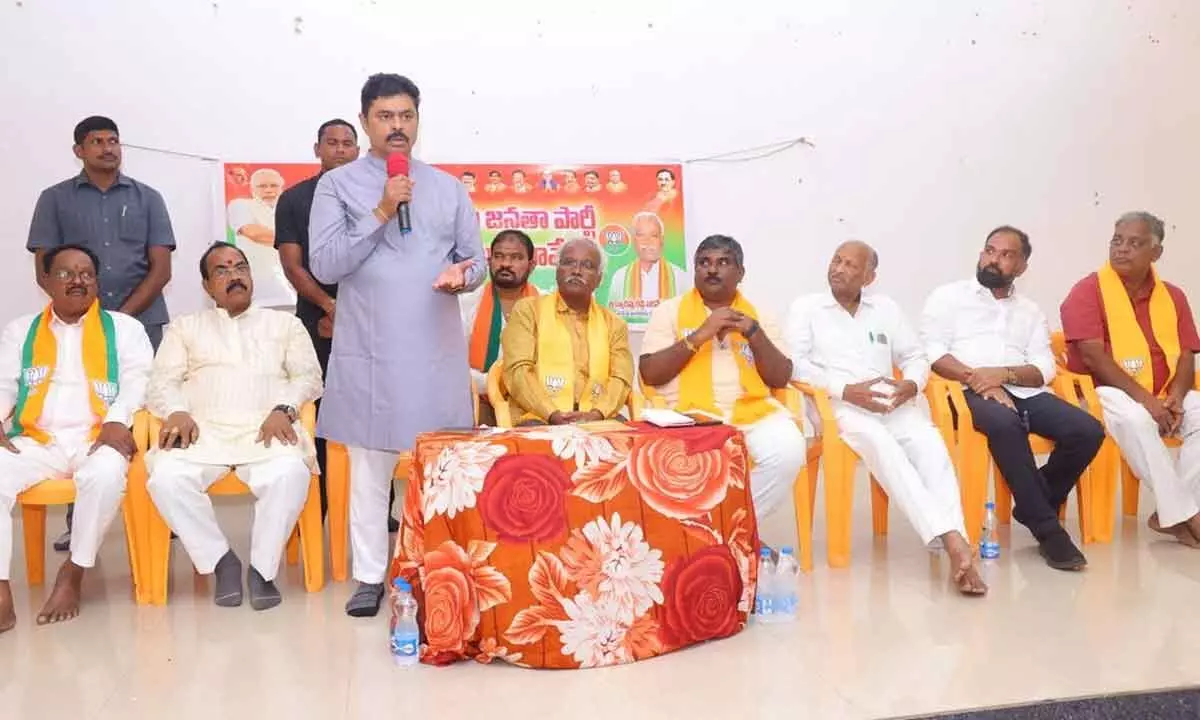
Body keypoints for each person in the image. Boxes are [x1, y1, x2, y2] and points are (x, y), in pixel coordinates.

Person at [309, 73, 485, 617]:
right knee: (369, 470)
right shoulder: (337, 186)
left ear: (417, 120)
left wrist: (464, 274)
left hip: (433, 352)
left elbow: (476, 260)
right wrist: (383, 209)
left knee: (444, 469)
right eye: (386, 116)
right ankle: (368, 575)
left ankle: (444, 566)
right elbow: (327, 264)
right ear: (365, 122)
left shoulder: (448, 188)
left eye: (406, 115)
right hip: (373, 352)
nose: (398, 126)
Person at [787, 242, 986, 595]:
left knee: (930, 445)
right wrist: (846, 390)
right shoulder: (807, 308)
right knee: (884, 447)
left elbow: (915, 355)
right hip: (838, 406)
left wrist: (911, 384)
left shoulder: (886, 309)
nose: (838, 268)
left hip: (889, 401)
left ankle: (952, 540)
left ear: (869, 276)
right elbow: (796, 365)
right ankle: (956, 543)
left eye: (850, 265)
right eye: (836, 260)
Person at [145, 243, 322, 611]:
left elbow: (309, 375)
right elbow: (162, 382)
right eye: (222, 271)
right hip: (203, 431)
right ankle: (220, 560)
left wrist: (285, 409)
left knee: (290, 472)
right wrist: (176, 411)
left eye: (240, 267)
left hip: (266, 428)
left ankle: (262, 569)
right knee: (166, 477)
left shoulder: (285, 324)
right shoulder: (185, 327)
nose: (234, 276)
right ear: (208, 287)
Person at [27, 115, 175, 553]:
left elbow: (161, 269)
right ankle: (80, 520)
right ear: (79, 150)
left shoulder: (148, 198)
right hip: (71, 329)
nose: (108, 148)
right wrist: (86, 318)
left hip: (142, 323)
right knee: (79, 416)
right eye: (97, 142)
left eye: (114, 141)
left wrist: (117, 323)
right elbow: (45, 270)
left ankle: (164, 516)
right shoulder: (53, 200)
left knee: (152, 417)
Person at [921, 226, 1104, 571]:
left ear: (1021, 266)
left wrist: (1003, 375)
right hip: (964, 392)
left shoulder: (1030, 311)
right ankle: (1049, 531)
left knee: (1088, 429)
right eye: (990, 250)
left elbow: (1044, 367)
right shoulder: (948, 298)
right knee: (1005, 425)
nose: (994, 259)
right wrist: (979, 380)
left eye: (1006, 255)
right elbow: (932, 351)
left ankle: (1034, 502)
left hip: (1024, 390)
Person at [0, 245, 152, 632]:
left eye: (86, 273)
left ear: (97, 282)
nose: (78, 280)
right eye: (66, 273)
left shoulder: (124, 328)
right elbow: (5, 386)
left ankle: (73, 572)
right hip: (36, 440)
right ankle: (1, 590)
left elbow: (138, 381)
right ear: (46, 282)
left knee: (103, 474)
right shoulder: (20, 331)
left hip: (97, 436)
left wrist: (117, 420)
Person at [640, 234, 806, 535]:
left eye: (723, 263)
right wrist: (699, 335)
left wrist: (753, 332)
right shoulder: (669, 312)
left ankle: (720, 530)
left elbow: (780, 377)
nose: (712, 270)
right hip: (688, 416)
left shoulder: (760, 315)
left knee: (789, 451)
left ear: (741, 273)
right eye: (704, 263)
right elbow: (650, 373)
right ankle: (728, 535)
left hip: (752, 412)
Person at [1061, 211, 1200, 546]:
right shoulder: (1087, 291)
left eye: (1134, 243)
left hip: (1162, 391)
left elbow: (1186, 354)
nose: (1122, 249)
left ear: (1156, 252)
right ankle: (1188, 516)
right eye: (1117, 240)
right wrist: (1147, 400)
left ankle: (1173, 512)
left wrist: (1176, 398)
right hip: (1099, 393)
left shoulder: (1173, 296)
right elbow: (1094, 357)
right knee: (1137, 418)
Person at [275, 118, 360, 518]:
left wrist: (355, 314)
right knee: (321, 411)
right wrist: (330, 307)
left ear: (358, 150)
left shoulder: (376, 197)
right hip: (316, 321)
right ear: (317, 149)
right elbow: (293, 266)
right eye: (332, 143)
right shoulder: (294, 199)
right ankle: (320, 502)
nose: (340, 150)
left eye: (347, 143)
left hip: (369, 323)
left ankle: (381, 505)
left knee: (370, 409)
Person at [502, 238, 633, 425]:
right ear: (557, 271)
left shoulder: (614, 324)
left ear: (599, 279)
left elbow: (621, 378)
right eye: (569, 263)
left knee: (627, 446)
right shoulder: (528, 311)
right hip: (537, 416)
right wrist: (551, 413)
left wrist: (597, 414)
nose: (577, 271)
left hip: (597, 418)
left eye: (587, 265)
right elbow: (518, 371)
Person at [460, 230, 540, 425]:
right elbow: (453, 365)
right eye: (499, 256)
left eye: (516, 257)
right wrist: (493, 385)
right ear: (489, 261)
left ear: (531, 265)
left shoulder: (544, 306)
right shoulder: (467, 303)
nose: (505, 264)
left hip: (532, 403)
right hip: (478, 400)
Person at [227, 167, 295, 307]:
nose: (269, 190)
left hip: (293, 293)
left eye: (274, 185)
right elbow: (255, 234)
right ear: (252, 189)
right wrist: (299, 240)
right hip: (257, 293)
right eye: (262, 186)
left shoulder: (291, 208)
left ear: (282, 187)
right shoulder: (240, 205)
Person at [608, 212, 684, 302]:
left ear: (662, 240)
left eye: (654, 236)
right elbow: (612, 314)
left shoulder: (679, 277)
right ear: (634, 241)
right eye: (641, 235)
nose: (648, 242)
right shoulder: (620, 277)